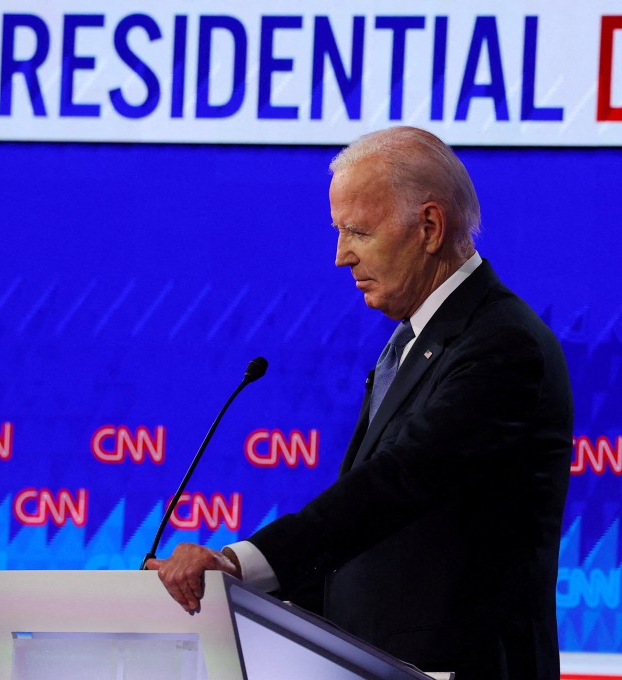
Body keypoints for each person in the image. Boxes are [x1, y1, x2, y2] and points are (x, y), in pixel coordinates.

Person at [147, 126, 573, 679]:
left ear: (429, 227)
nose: (340, 256)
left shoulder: (500, 344)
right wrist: (249, 608)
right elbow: (367, 542)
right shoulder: (415, 341)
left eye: (358, 231)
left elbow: (397, 483)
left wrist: (239, 565)